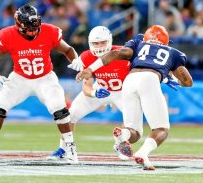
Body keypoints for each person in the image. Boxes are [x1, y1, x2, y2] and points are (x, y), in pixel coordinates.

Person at [74, 25, 193, 170]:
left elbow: (115, 53)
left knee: (134, 132)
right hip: (150, 79)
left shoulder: (138, 43)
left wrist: (90, 69)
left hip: (129, 81)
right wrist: (170, 76)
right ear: (166, 41)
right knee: (161, 128)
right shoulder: (173, 52)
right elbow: (187, 82)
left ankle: (122, 134)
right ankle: (143, 153)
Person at [0, 4, 79, 164]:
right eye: (29, 28)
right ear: (19, 25)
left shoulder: (49, 31)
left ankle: (70, 147)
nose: (33, 31)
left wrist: (76, 59)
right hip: (20, 78)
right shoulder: (7, 35)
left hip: (45, 78)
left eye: (35, 27)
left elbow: (68, 49)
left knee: (58, 107)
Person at [47, 26, 131, 160]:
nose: (99, 46)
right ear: (89, 43)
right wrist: (94, 93)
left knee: (131, 122)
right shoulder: (86, 56)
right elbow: (87, 87)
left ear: (109, 40)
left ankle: (120, 143)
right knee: (71, 114)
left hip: (123, 92)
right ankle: (63, 148)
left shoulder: (123, 53)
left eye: (103, 42)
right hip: (100, 88)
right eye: (95, 43)